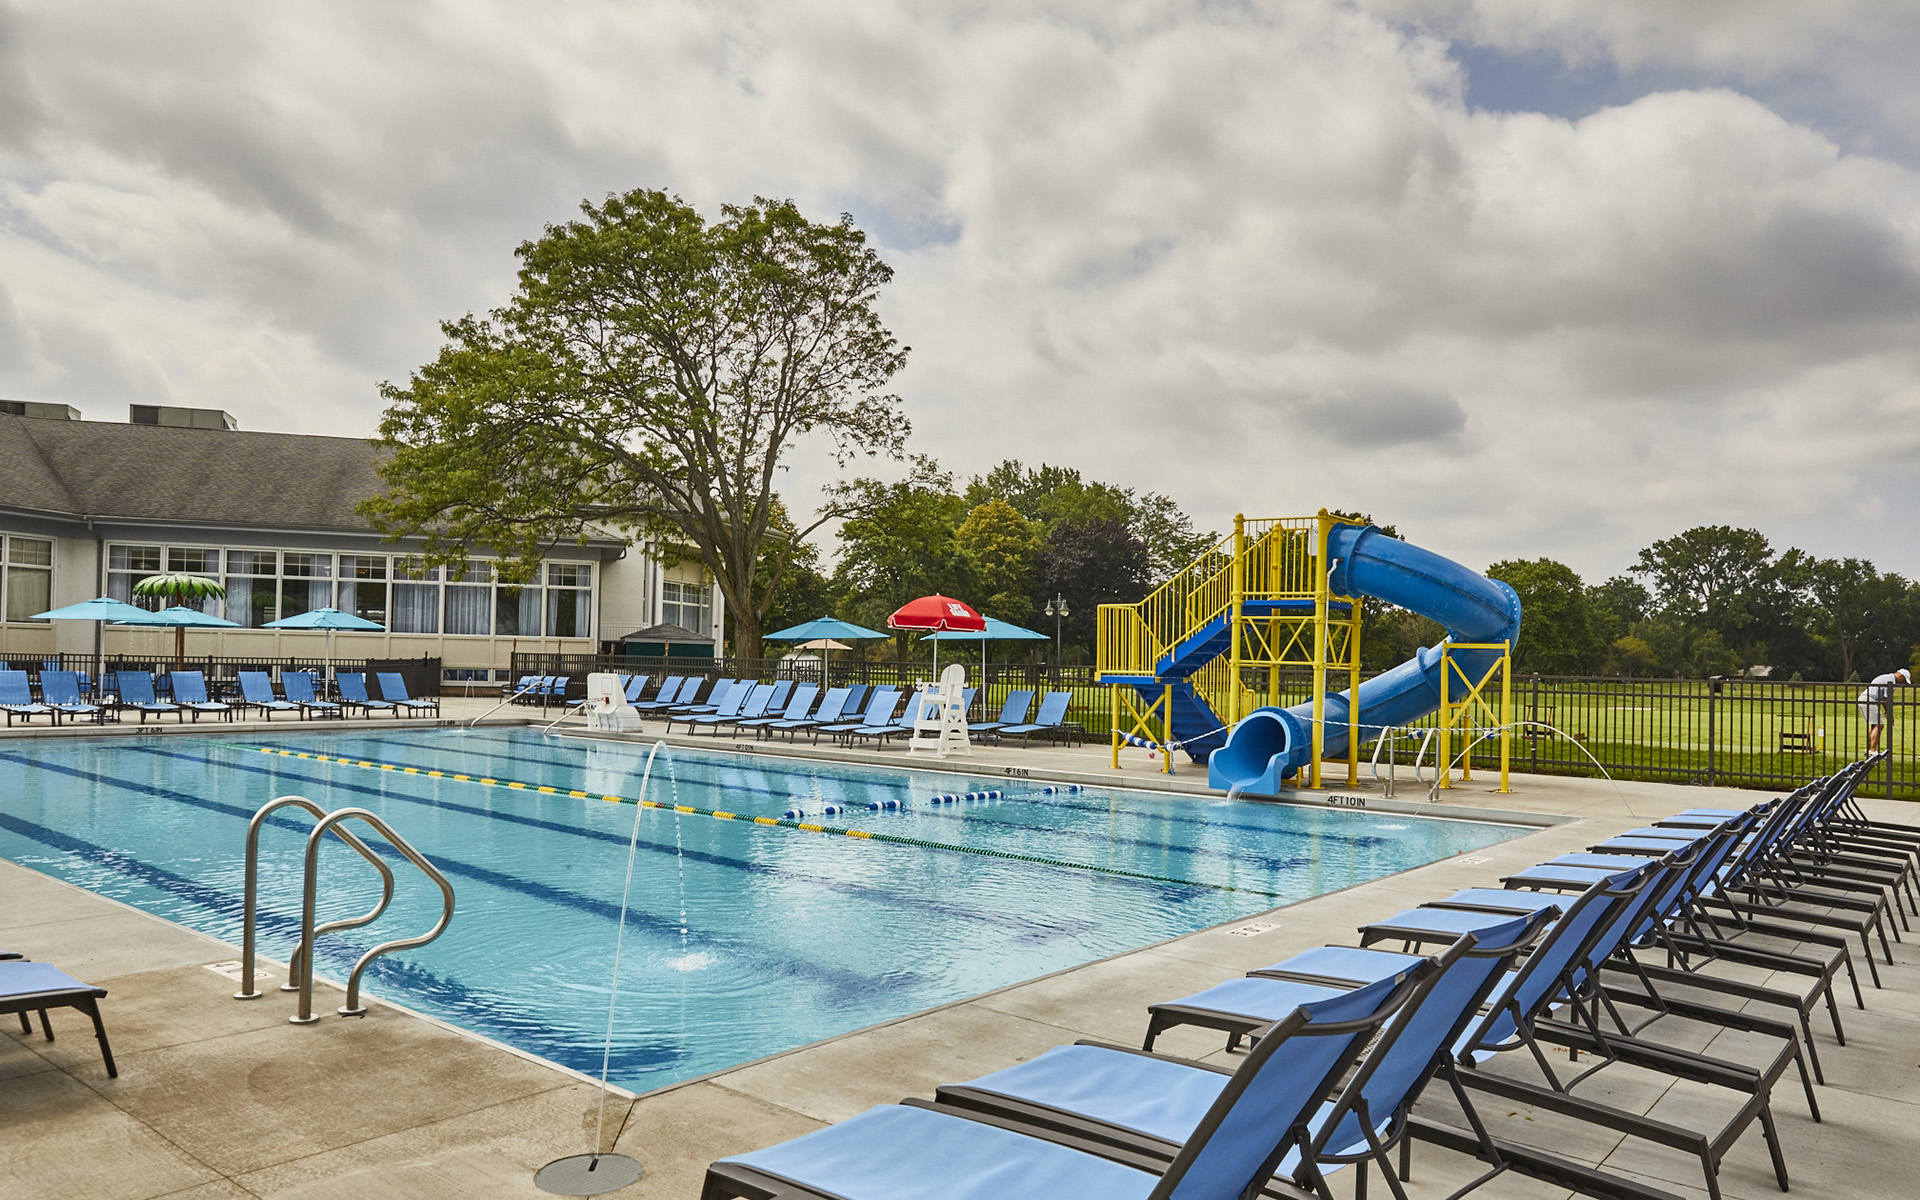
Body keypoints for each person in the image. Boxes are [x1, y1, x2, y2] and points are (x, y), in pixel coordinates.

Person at [1858, 667, 1911, 753]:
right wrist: (1890, 715)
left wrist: (1887, 713)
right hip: (1870, 699)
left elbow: (1883, 700)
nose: (1902, 682)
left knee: (1874, 725)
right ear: (1900, 676)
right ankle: (1872, 750)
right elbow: (1887, 700)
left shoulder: (1886, 676)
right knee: (1879, 725)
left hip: (1863, 698)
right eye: (1904, 680)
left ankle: (1869, 749)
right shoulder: (1891, 681)